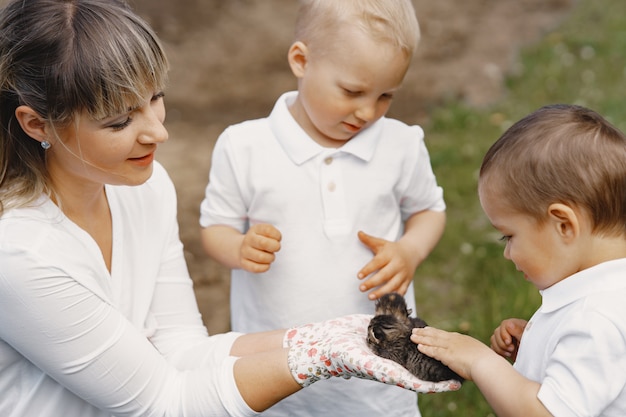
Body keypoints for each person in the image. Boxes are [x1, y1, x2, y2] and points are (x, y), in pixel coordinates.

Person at [0, 1, 459, 416]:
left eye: (155, 99)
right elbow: (165, 400)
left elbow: (179, 348)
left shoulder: (144, 186)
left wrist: (323, 336)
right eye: (120, 121)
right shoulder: (20, 253)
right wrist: (315, 357)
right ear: (36, 123)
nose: (158, 134)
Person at [199, 0, 447, 416]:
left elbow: (429, 211)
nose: (368, 112)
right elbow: (214, 228)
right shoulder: (244, 146)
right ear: (301, 60)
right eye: (351, 91)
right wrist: (239, 248)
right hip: (273, 376)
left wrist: (410, 251)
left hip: (378, 380)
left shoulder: (401, 145)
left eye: (385, 95)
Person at [412, 104, 626, 416]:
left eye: (509, 236)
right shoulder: (602, 306)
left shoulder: (594, 319)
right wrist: (543, 344)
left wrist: (481, 362)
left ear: (563, 225)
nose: (507, 253)